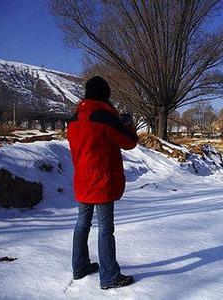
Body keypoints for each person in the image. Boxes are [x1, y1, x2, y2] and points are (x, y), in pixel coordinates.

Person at [67, 76, 138, 289]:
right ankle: (109, 277)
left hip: (82, 180)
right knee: (105, 228)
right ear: (105, 95)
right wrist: (128, 125)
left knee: (82, 224)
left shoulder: (74, 119)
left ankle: (79, 267)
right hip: (102, 180)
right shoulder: (104, 118)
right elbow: (129, 143)